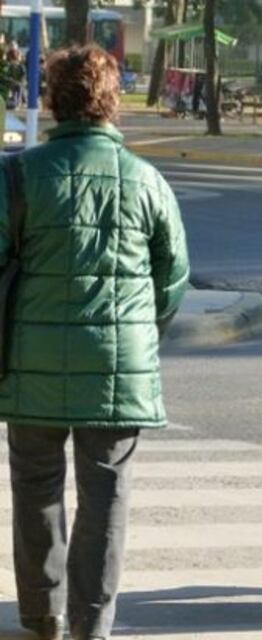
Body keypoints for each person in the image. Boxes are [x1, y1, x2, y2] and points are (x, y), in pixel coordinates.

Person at [0, 45, 189, 640]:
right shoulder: (147, 180)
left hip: (29, 364)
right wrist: (139, 332)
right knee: (106, 494)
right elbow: (174, 275)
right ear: (113, 103)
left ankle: (42, 612)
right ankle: (93, 621)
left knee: (35, 490)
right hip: (118, 362)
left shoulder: (19, 175)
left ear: (53, 101)